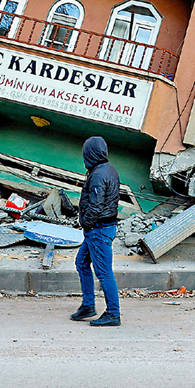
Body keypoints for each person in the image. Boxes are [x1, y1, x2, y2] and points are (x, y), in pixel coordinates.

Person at [66, 136, 121, 327]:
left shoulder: (98, 175)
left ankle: (113, 313)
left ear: (90, 154)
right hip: (101, 228)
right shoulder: (108, 169)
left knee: (104, 273)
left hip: (98, 230)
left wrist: (86, 224)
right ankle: (88, 305)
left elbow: (96, 205)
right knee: (81, 263)